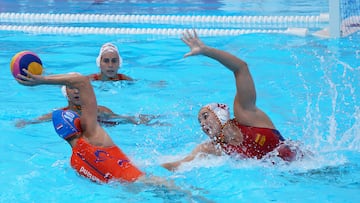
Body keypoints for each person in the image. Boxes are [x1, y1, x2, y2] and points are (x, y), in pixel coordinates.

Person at [162, 30, 304, 171]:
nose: (203, 124)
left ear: (219, 113)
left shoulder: (246, 113)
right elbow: (179, 164)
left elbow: (241, 68)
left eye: (205, 116)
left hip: (306, 165)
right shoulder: (213, 147)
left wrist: (206, 51)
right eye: (200, 122)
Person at [15, 71, 182, 189]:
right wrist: (42, 80)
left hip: (125, 194)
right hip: (147, 183)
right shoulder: (92, 136)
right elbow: (81, 80)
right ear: (78, 123)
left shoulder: (74, 163)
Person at [15, 85, 161, 128]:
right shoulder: (61, 113)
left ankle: (157, 118)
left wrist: (147, 124)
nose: (77, 91)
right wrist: (27, 122)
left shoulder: (98, 110)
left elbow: (124, 119)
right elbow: (41, 119)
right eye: (72, 88)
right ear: (66, 92)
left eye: (79, 88)